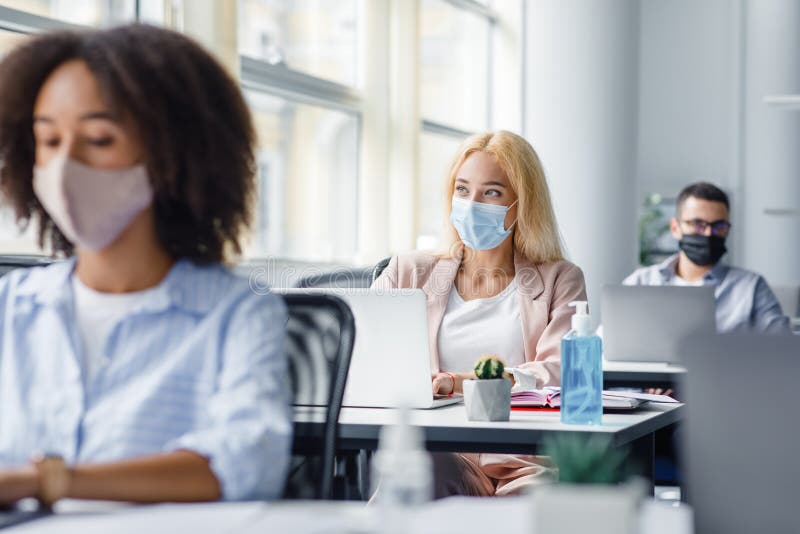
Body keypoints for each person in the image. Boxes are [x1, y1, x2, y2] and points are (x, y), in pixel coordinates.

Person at [0, 25, 291, 506]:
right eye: (48, 141)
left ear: (172, 154)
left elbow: (246, 464)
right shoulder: (11, 306)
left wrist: (45, 481)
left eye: (99, 138)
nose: (64, 165)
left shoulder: (238, 312)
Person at [373, 130, 586, 496]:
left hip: (523, 462)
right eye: (462, 190)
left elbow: (557, 373)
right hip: (442, 450)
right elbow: (367, 354)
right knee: (420, 469)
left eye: (491, 192)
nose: (472, 203)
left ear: (522, 203)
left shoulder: (559, 279)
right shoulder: (407, 272)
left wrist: (459, 382)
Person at [624, 182, 788, 334]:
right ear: (675, 228)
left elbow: (783, 348)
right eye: (698, 224)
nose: (709, 233)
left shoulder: (751, 288)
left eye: (719, 226)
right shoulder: (640, 283)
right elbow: (606, 343)